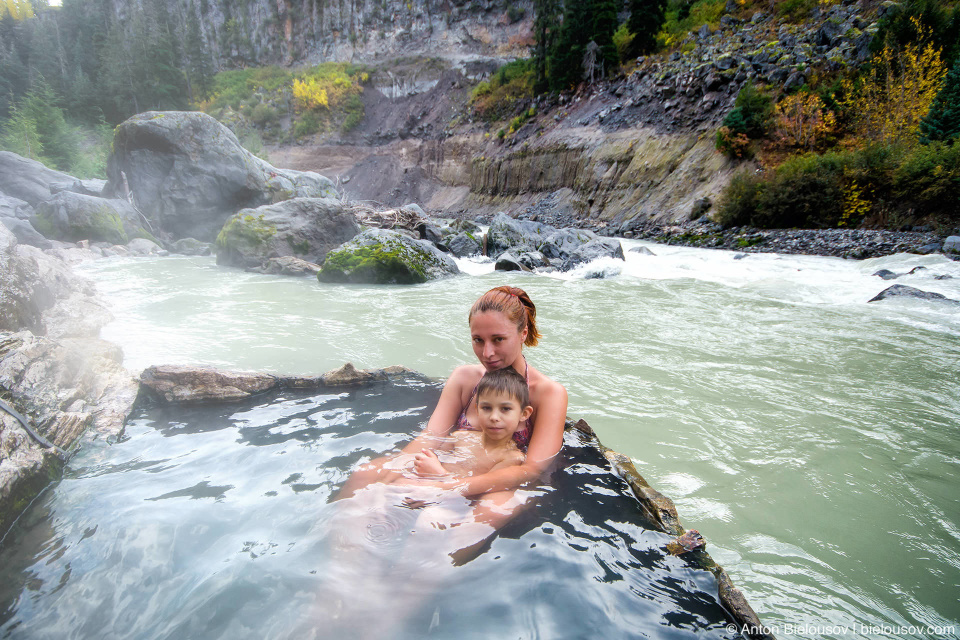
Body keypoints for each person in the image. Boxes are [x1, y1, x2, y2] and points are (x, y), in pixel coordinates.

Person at [337, 285, 568, 539]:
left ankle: (417, 575)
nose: (487, 353)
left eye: (498, 339)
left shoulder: (548, 393)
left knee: (488, 512)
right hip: (453, 465)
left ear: (523, 333)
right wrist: (393, 473)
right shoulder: (464, 378)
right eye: (478, 340)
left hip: (502, 480)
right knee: (365, 475)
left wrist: (448, 487)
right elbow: (431, 436)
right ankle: (341, 564)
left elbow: (532, 470)